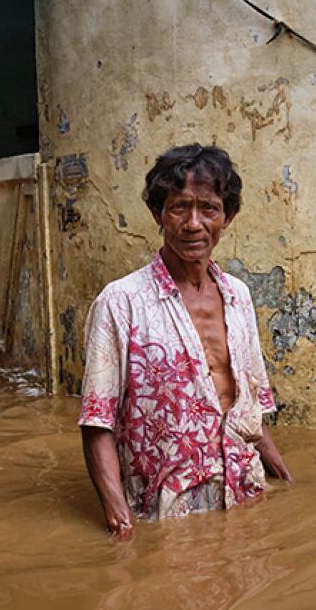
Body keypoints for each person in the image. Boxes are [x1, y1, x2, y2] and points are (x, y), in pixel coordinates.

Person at [79, 144, 292, 540]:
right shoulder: (120, 302)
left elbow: (251, 403)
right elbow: (97, 423)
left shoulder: (239, 296)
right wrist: (120, 523)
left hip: (245, 492)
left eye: (208, 208)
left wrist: (286, 480)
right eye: (179, 207)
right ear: (159, 214)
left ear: (227, 217)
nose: (193, 223)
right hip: (166, 514)